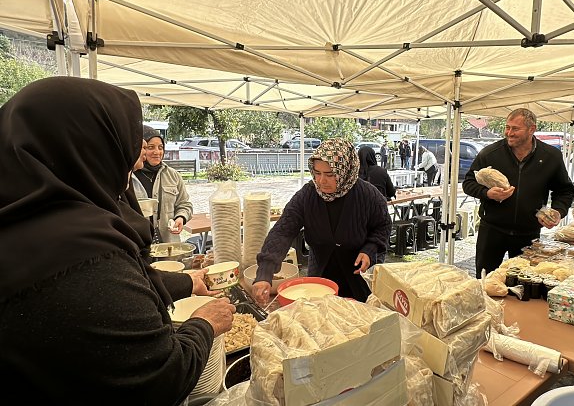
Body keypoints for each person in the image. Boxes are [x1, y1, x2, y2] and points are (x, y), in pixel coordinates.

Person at [0, 77, 235, 405]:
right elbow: (160, 378)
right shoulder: (85, 255)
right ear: (87, 147)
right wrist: (205, 323)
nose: (136, 161)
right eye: (124, 147)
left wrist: (186, 282)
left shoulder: (23, 223)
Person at [251, 138, 391, 304]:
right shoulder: (307, 195)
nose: (321, 181)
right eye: (317, 173)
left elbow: (383, 225)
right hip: (320, 276)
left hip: (358, 277)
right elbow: (283, 231)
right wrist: (265, 273)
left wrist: (370, 248)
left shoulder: (368, 195)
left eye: (330, 174)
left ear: (345, 170)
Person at [462, 108, 574, 278]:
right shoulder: (490, 153)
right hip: (492, 231)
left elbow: (564, 190)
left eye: (515, 128)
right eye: (507, 127)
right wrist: (487, 193)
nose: (509, 133)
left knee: (525, 282)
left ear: (532, 129)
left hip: (528, 233)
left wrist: (558, 211)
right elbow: (468, 183)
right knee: (486, 280)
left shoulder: (551, 156)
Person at [135, 126, 193, 243]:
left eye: (160, 147)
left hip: (169, 244)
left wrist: (180, 217)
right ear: (141, 149)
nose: (157, 152)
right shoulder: (130, 176)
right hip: (138, 244)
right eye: (150, 147)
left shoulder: (173, 175)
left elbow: (185, 204)